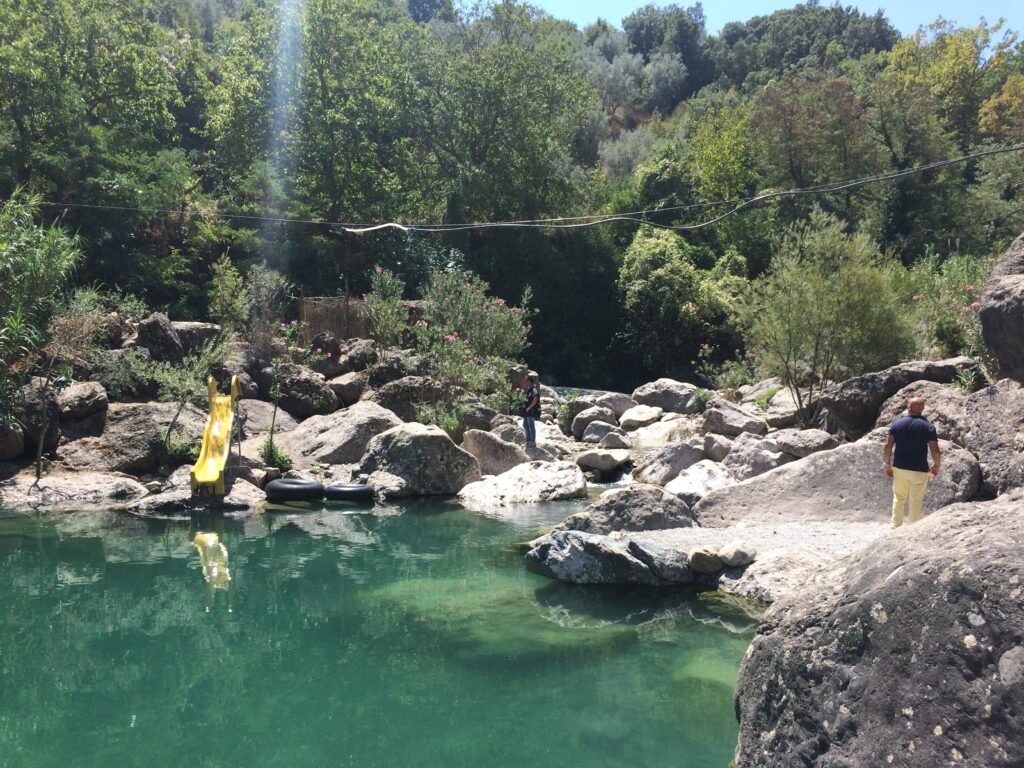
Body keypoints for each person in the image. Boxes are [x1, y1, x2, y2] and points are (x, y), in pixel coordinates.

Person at [883, 396, 941, 529]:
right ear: (923, 409)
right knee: (916, 500)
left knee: (898, 498)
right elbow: (935, 450)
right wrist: (936, 465)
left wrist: (887, 464)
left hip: (899, 467)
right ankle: (915, 529)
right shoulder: (928, 426)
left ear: (908, 407)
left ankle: (895, 527)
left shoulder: (896, 424)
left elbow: (887, 446)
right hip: (919, 469)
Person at [521, 373, 541, 447]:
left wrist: (529, 407)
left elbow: (535, 399)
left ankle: (532, 441)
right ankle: (528, 440)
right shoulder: (528, 389)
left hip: (531, 411)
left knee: (530, 425)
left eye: (526, 381)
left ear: (530, 381)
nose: (525, 382)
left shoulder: (534, 389)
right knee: (525, 425)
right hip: (526, 411)